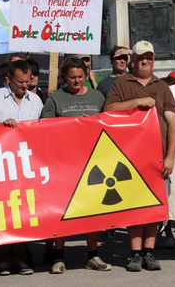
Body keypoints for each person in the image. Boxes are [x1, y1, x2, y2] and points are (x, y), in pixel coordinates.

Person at [103, 40, 175, 272]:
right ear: (132, 60)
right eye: (140, 57)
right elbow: (108, 110)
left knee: (154, 209)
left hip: (158, 159)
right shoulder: (122, 83)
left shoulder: (162, 86)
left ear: (153, 60)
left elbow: (173, 123)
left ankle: (149, 252)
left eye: (149, 57)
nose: (145, 60)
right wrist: (137, 102)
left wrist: (170, 157)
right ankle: (135, 254)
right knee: (135, 208)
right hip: (129, 159)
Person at [40, 57, 111, 273]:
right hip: (64, 163)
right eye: (72, 77)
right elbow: (45, 128)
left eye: (80, 76)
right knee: (63, 211)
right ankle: (59, 257)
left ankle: (92, 255)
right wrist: (73, 124)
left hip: (93, 162)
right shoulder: (55, 99)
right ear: (64, 77)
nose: (77, 80)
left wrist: (92, 123)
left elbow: (108, 123)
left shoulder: (97, 96)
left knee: (92, 211)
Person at [0, 59, 43, 275]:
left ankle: (22, 258)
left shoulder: (35, 101)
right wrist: (1, 127)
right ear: (9, 79)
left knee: (24, 214)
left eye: (28, 81)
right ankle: (2, 259)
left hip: (26, 166)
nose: (25, 85)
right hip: (0, 166)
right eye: (21, 81)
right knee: (3, 214)